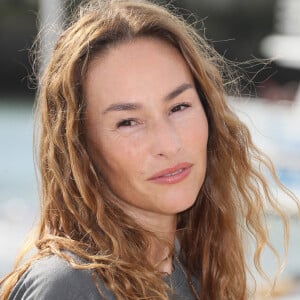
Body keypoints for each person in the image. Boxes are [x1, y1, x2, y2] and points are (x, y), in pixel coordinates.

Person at [0, 0, 298, 299]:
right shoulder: (70, 286)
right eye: (128, 122)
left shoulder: (195, 278)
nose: (169, 144)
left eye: (179, 106)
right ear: (81, 148)